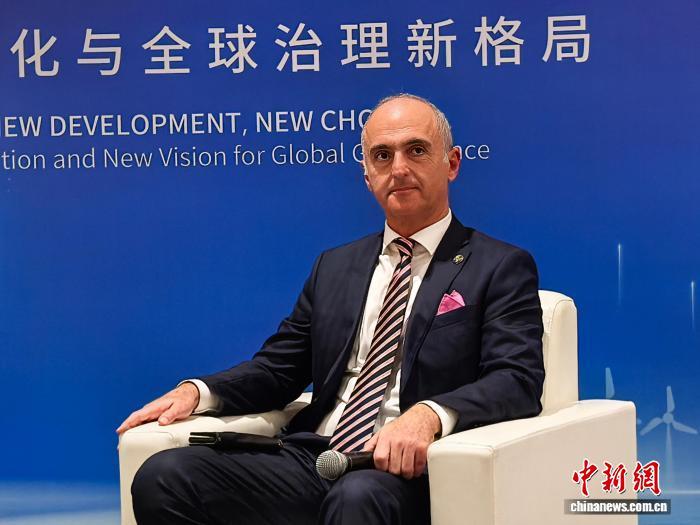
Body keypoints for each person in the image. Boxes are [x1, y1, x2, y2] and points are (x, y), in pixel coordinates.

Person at [118, 93, 545, 525]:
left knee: (356, 497)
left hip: (409, 471)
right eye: (382, 156)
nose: (398, 168)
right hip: (315, 458)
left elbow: (516, 379)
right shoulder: (336, 266)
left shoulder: (498, 266)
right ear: (367, 176)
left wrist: (428, 415)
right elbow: (278, 369)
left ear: (451, 163)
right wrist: (198, 392)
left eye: (416, 150)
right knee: (164, 476)